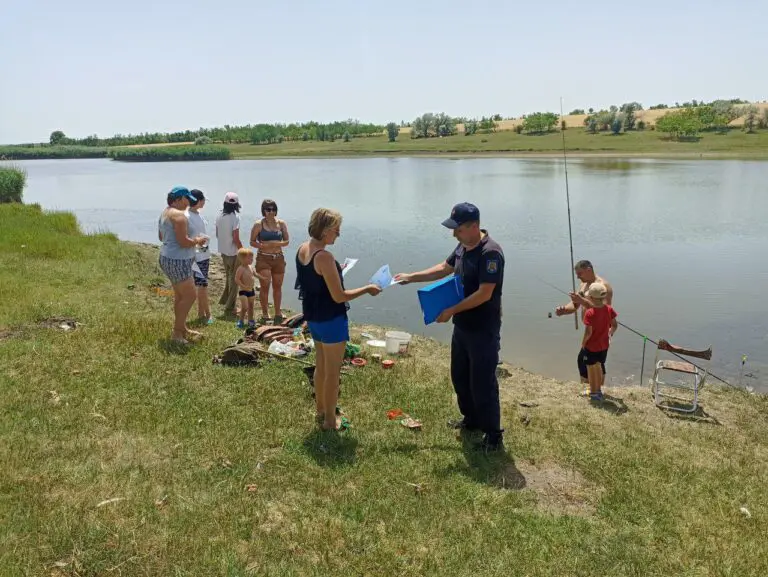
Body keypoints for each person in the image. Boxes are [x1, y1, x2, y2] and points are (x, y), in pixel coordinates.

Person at [395, 202, 505, 452]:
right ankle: (471, 420)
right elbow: (444, 268)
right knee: (460, 376)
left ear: (474, 226)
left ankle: (493, 435)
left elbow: (484, 293)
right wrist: (411, 277)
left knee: (483, 382)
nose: (454, 234)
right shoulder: (463, 246)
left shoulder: (490, 253)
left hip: (483, 328)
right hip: (463, 326)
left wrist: (451, 310)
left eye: (459, 229)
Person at [295, 208, 382, 431]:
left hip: (313, 316)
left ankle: (320, 409)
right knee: (333, 373)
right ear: (325, 231)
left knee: (321, 365)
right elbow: (339, 296)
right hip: (331, 318)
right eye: (336, 230)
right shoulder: (324, 257)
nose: (339, 234)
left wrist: (335, 272)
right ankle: (329, 421)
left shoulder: (303, 249)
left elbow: (313, 281)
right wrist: (367, 288)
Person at [157, 186, 209, 343]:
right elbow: (184, 242)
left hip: (167, 256)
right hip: (178, 260)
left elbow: (161, 237)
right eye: (187, 200)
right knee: (190, 295)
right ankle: (177, 333)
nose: (188, 204)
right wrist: (197, 240)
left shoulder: (165, 213)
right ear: (178, 199)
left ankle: (182, 327)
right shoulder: (179, 216)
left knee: (180, 296)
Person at [555, 259, 614, 386]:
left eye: (580, 274)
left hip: (600, 331)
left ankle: (594, 388)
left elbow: (604, 311)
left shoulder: (603, 286)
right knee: (589, 361)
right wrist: (564, 310)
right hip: (589, 328)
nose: (578, 277)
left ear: (589, 270)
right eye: (576, 274)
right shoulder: (584, 285)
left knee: (590, 360)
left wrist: (582, 301)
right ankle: (591, 387)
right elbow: (575, 304)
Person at [250, 199, 290, 323]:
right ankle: (265, 313)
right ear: (264, 211)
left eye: (273, 209)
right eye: (268, 209)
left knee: (277, 286)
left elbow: (287, 241)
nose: (271, 212)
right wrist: (263, 246)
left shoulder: (281, 224)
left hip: (278, 258)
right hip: (263, 258)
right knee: (265, 286)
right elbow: (252, 241)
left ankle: (278, 313)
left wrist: (277, 244)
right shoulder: (258, 224)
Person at [579, 283, 618, 401]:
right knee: (599, 367)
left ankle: (593, 393)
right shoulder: (609, 309)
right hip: (604, 346)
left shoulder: (590, 313)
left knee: (591, 369)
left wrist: (583, 343)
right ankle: (598, 390)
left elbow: (588, 332)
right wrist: (609, 334)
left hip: (591, 347)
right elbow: (615, 325)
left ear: (591, 297)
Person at [187, 189, 213, 324]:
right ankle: (208, 315)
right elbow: (185, 237)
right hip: (196, 255)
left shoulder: (197, 215)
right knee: (202, 285)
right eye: (202, 200)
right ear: (198, 201)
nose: (204, 203)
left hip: (203, 253)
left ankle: (201, 313)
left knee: (201, 284)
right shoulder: (187, 216)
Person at [215, 192, 243, 316]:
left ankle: (225, 300)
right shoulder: (235, 217)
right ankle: (230, 307)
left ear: (225, 203)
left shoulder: (219, 215)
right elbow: (236, 238)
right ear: (237, 204)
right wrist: (243, 251)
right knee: (235, 280)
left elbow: (217, 234)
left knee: (229, 278)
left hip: (223, 251)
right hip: (233, 253)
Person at [234, 248, 267, 329]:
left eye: (252, 258)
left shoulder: (251, 267)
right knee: (244, 307)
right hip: (243, 291)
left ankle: (250, 320)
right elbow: (236, 279)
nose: (252, 260)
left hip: (251, 290)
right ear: (242, 259)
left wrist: (263, 278)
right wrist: (243, 286)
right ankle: (241, 321)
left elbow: (255, 274)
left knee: (251, 306)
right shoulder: (240, 268)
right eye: (250, 258)